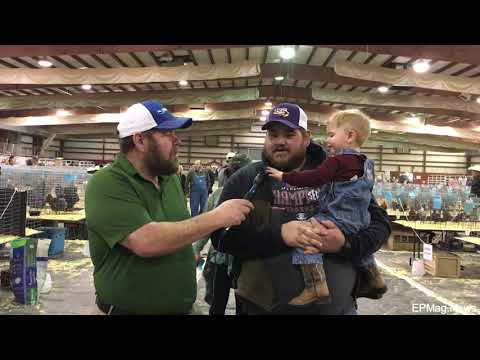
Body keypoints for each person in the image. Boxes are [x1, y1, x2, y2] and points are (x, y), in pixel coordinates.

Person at [211, 102, 391, 315]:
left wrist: (346, 243)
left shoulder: (339, 172)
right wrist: (280, 235)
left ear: (306, 138)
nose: (279, 142)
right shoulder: (246, 179)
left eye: (289, 134)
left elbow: (381, 225)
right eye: (272, 135)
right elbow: (221, 237)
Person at [85, 101, 253, 315]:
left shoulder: (169, 180)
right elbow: (147, 241)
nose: (178, 140)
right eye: (167, 134)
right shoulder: (107, 183)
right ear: (140, 140)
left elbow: (177, 227)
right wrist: (218, 217)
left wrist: (187, 253)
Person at [266, 109, 386, 305]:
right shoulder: (366, 164)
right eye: (273, 134)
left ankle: (315, 286)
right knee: (361, 242)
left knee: (306, 238)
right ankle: (374, 278)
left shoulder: (337, 161)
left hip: (338, 218)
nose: (327, 140)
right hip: (360, 219)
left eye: (331, 135)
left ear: (349, 136)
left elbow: (315, 177)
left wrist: (284, 177)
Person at [193, 153, 252, 315]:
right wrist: (196, 249)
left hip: (243, 260)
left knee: (240, 304)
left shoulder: (256, 196)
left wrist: (197, 249)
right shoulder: (218, 194)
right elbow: (206, 225)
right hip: (222, 258)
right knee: (220, 302)